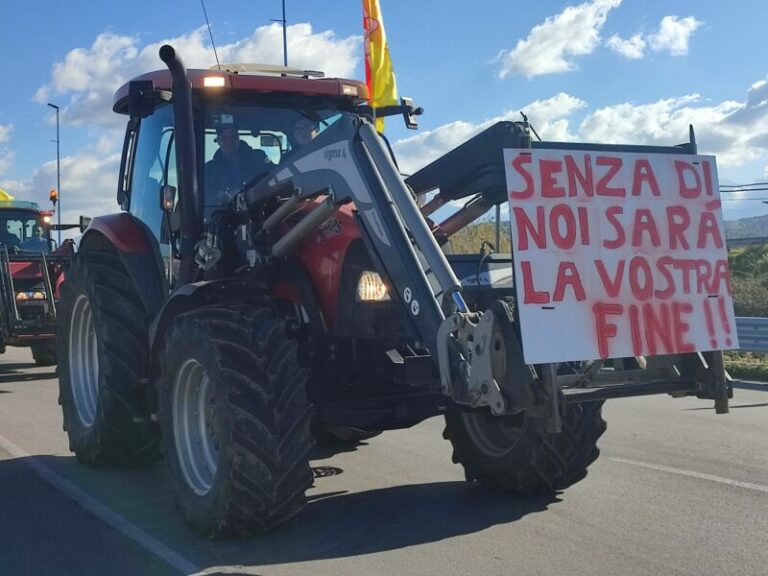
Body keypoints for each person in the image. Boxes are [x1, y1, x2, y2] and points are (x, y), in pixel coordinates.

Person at [205, 124, 273, 200]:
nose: (229, 141)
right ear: (218, 141)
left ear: (238, 137)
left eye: (233, 136)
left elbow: (273, 177)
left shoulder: (259, 158)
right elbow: (201, 191)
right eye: (224, 138)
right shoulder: (208, 170)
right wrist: (219, 195)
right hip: (219, 210)